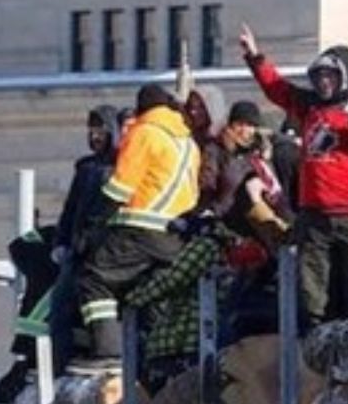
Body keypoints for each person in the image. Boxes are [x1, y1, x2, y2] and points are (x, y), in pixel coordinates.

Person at [239, 25, 348, 327]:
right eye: (318, 76)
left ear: (343, 77)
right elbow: (277, 87)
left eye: (330, 76)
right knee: (312, 295)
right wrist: (255, 57)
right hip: (315, 217)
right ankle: (316, 342)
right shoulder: (309, 106)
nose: (323, 82)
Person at [74, 84, 201, 368]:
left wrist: (95, 223)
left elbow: (120, 188)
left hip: (139, 228)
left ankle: (108, 353)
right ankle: (152, 362)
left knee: (94, 278)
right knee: (150, 294)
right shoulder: (187, 142)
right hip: (174, 236)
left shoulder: (144, 132)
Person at [48, 105, 119, 369]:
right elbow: (71, 211)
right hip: (77, 251)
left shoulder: (120, 166)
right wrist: (61, 242)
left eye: (101, 130)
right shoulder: (86, 168)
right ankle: (62, 363)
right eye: (91, 130)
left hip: (104, 249)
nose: (95, 136)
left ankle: (105, 352)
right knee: (62, 307)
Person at [199, 100, 265, 211]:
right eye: (240, 124)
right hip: (222, 215)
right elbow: (207, 186)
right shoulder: (216, 150)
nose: (244, 130)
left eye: (250, 125)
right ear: (231, 125)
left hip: (256, 215)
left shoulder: (259, 153)